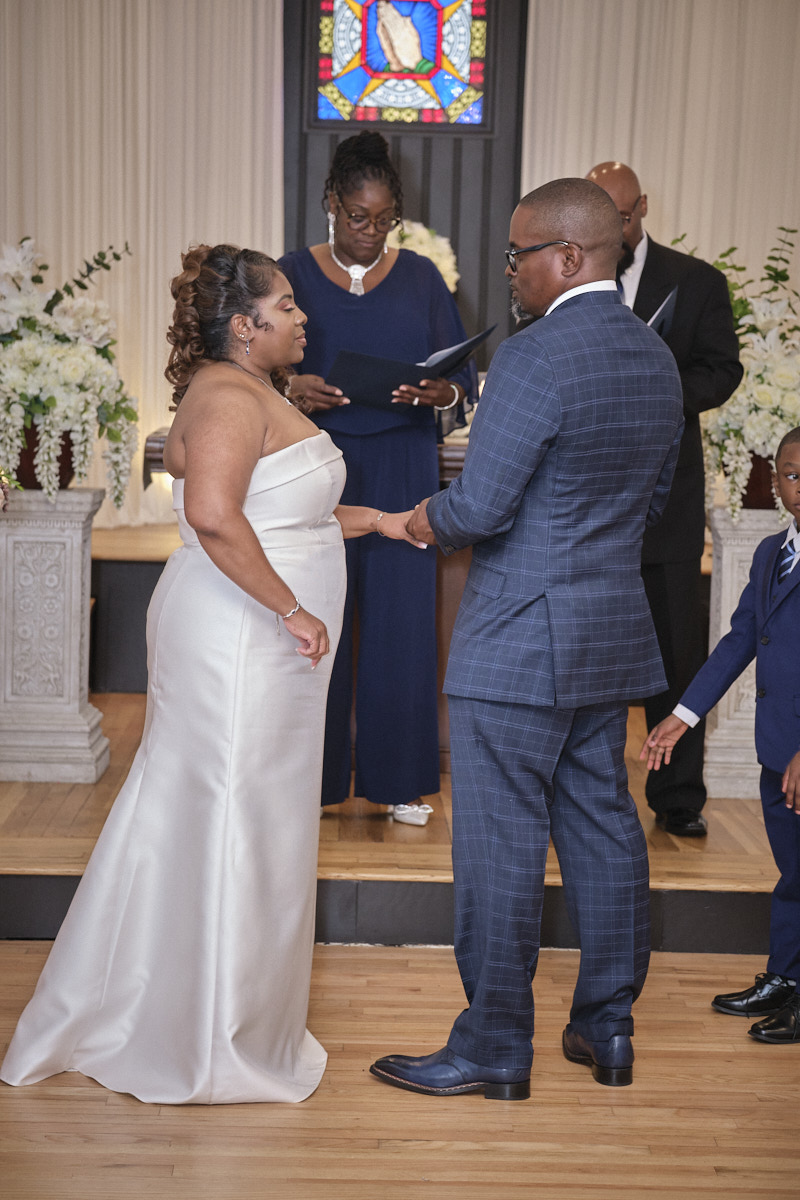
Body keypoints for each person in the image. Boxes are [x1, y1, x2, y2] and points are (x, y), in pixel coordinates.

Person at [0, 244, 423, 1105]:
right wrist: (293, 610)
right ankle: (210, 1038)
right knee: (234, 814)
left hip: (257, 634)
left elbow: (286, 510)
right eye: (288, 306)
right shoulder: (229, 396)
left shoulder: (252, 390)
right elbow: (215, 516)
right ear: (244, 325)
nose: (303, 317)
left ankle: (212, 1010)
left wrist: (380, 521)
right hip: (240, 637)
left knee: (242, 815)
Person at [369, 178, 684, 1099]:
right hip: (608, 633)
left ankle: (494, 1046)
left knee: (501, 846)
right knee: (605, 828)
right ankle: (607, 1029)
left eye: (519, 255)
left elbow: (479, 507)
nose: (509, 272)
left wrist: (419, 519)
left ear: (570, 257)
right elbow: (653, 506)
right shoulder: (655, 355)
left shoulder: (534, 356)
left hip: (516, 639)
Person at [279, 130, 478, 827]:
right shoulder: (290, 274)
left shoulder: (420, 277)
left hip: (401, 465)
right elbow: (256, 365)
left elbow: (461, 374)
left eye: (385, 219)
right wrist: (292, 389)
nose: (371, 231)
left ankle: (397, 780)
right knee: (317, 617)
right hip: (317, 465)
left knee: (401, 624)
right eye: (358, 216)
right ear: (331, 204)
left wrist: (444, 393)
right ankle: (311, 780)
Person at [586, 161, 743, 837]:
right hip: (588, 499)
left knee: (675, 650)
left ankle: (677, 797)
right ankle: (580, 788)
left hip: (667, 498)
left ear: (642, 208)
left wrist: (652, 387)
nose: (610, 231)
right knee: (586, 649)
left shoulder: (696, 280)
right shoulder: (571, 274)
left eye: (619, 218)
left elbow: (722, 370)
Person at [642, 427, 800, 1044]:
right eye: (790, 473)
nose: (799, 486)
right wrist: (682, 715)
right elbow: (739, 642)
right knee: (792, 872)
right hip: (777, 746)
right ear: (776, 481)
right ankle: (786, 977)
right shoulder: (770, 553)